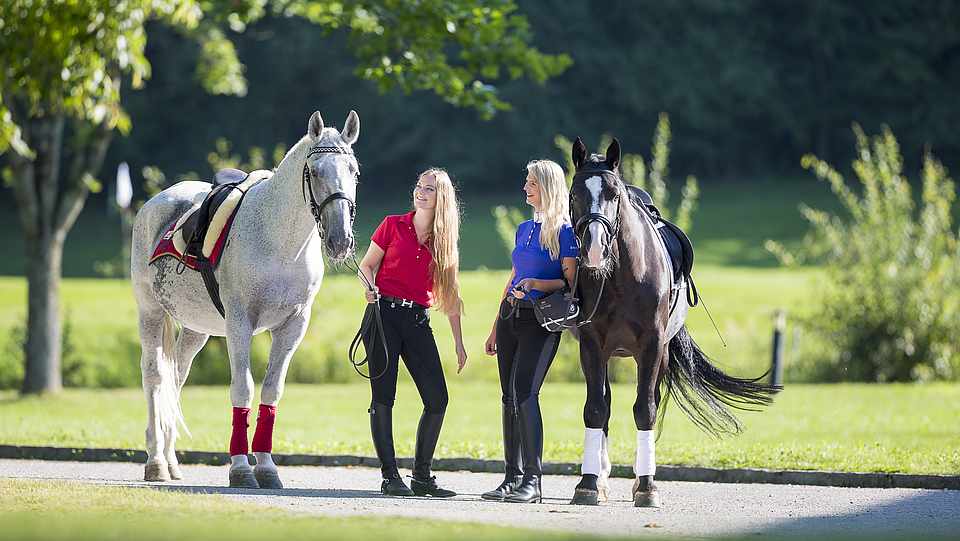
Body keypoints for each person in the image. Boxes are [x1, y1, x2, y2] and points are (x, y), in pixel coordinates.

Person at [356, 168, 468, 497]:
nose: (421, 192)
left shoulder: (444, 242)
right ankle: (390, 476)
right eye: (419, 186)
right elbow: (367, 266)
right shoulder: (393, 225)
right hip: (383, 316)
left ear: (441, 197)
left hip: (417, 320)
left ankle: (421, 477)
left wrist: (459, 342)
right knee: (383, 397)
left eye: (429, 189)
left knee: (437, 399)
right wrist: (369, 288)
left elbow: (450, 296)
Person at [481, 160, 578, 503]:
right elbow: (512, 278)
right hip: (511, 316)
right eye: (526, 182)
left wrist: (537, 283)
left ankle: (533, 482)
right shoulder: (523, 229)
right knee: (508, 397)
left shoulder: (565, 232)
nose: (525, 188)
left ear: (547, 187)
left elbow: (570, 282)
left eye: (531, 183)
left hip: (541, 322)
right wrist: (496, 325)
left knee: (525, 393)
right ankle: (511, 477)